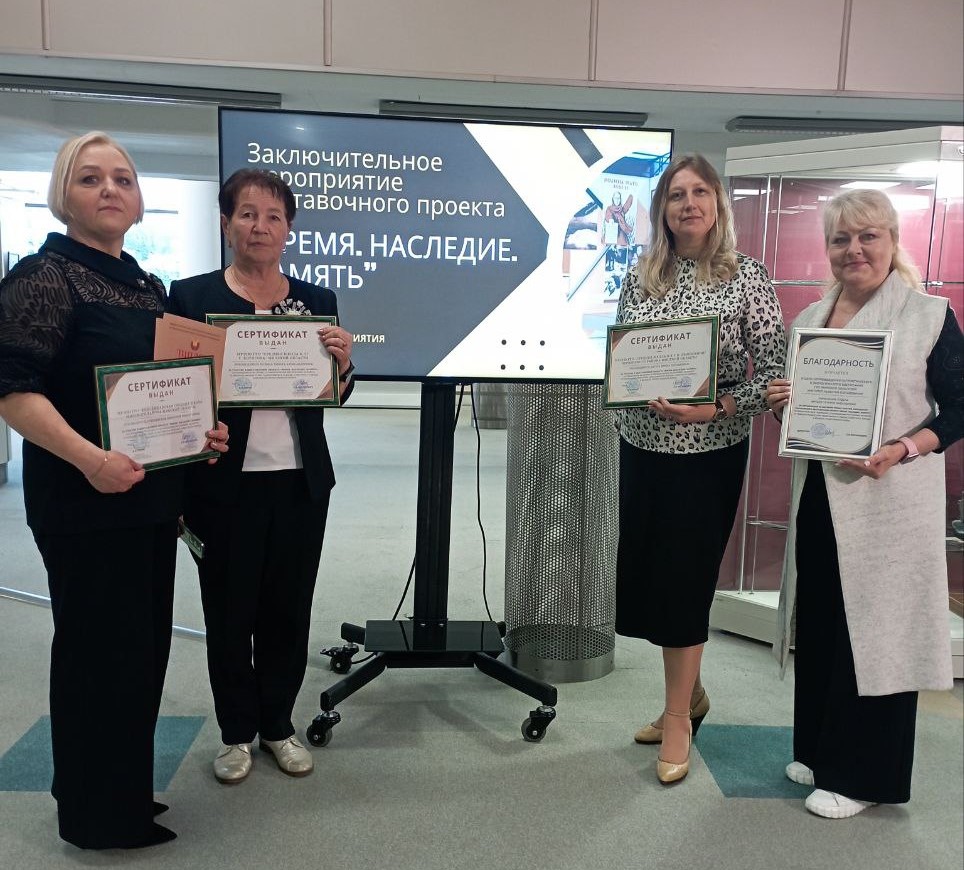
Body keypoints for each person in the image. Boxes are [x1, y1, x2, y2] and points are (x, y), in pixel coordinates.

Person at [0, 131, 228, 849]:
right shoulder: (44, 277)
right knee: (95, 657)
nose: (110, 190)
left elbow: (164, 390)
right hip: (84, 500)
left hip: (149, 500)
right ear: (63, 194)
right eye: (90, 178)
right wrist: (89, 459)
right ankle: (93, 815)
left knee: (138, 654)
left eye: (123, 179)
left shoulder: (144, 284)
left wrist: (199, 431)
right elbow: (12, 390)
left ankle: (122, 793)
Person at [766, 189, 963, 819]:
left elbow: (960, 407)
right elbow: (805, 415)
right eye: (841, 239)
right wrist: (784, 404)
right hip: (821, 496)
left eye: (868, 236)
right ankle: (821, 751)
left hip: (889, 501)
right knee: (823, 625)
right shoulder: (810, 318)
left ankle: (864, 776)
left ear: (893, 241)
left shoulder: (929, 315)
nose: (855, 249)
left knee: (877, 636)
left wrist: (903, 448)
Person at [167, 169, 354, 784]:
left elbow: (334, 393)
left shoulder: (317, 300)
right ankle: (235, 734)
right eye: (247, 214)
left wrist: (343, 367)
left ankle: (277, 725)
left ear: (288, 229)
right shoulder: (190, 297)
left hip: (300, 482)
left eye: (274, 216)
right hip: (222, 484)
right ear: (226, 224)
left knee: (288, 609)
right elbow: (174, 385)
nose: (260, 226)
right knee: (229, 612)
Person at [614, 154, 786, 784]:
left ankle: (676, 718)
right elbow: (623, 359)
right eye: (675, 194)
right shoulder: (641, 276)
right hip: (642, 448)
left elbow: (774, 377)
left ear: (717, 204)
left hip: (707, 454)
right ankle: (691, 695)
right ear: (662, 209)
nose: (688, 204)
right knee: (651, 580)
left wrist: (716, 407)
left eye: (699, 192)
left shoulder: (746, 277)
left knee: (685, 580)